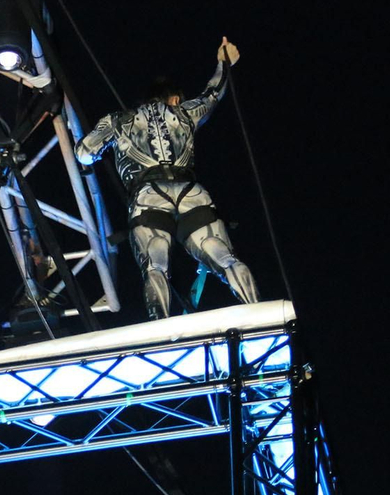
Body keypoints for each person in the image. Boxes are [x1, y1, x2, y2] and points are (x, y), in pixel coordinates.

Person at [75, 37, 259, 320]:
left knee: (155, 263)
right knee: (223, 256)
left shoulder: (118, 120)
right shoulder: (184, 113)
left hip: (148, 194)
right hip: (190, 191)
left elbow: (84, 153)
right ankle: (256, 309)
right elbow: (213, 93)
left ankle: (161, 323)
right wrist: (224, 63)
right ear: (174, 99)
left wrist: (107, 147)